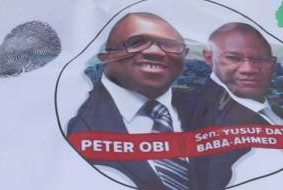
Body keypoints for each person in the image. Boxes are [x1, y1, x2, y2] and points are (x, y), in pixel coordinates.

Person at [66, 12, 197, 190]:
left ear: (184, 56)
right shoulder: (70, 118)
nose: (155, 52)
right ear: (106, 58)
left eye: (169, 45)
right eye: (136, 43)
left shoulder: (217, 111)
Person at [183, 23, 283, 189]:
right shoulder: (192, 114)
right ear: (209, 58)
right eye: (234, 58)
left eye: (261, 59)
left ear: (273, 63)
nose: (249, 69)